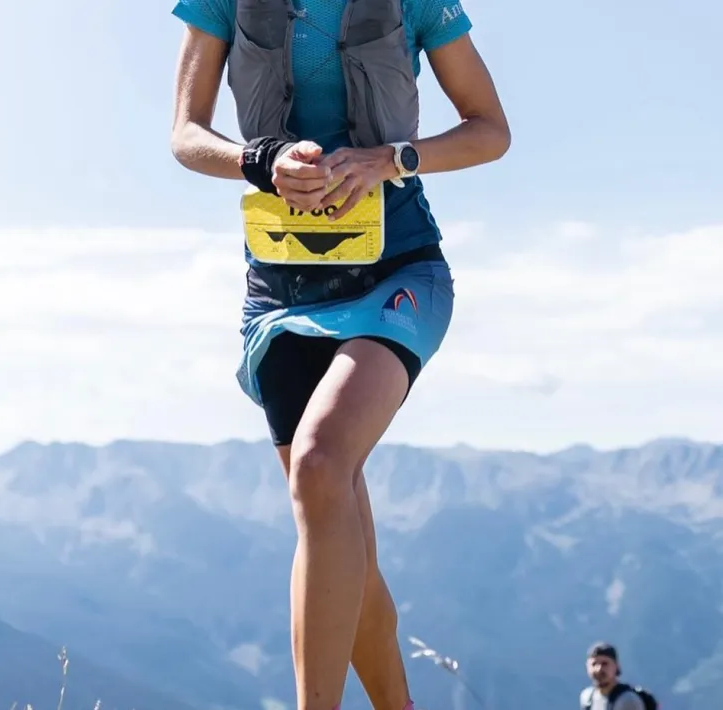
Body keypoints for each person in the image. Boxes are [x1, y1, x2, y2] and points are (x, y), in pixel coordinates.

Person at [168, 0, 510, 709]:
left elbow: (491, 131)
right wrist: (255, 159)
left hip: (399, 271)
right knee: (338, 527)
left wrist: (396, 157)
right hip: (281, 290)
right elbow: (185, 135)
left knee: (322, 465)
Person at [580, 643, 651, 710]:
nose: (598, 669)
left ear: (616, 666)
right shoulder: (587, 699)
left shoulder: (627, 700)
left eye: (604, 664)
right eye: (594, 664)